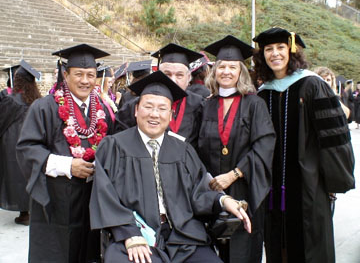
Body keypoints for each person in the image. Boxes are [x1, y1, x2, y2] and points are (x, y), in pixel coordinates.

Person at [90, 70, 252, 263]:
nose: (154, 114)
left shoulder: (183, 150)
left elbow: (198, 192)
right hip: (136, 236)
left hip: (183, 238)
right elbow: (104, 195)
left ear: (171, 114)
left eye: (162, 108)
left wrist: (223, 201)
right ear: (136, 110)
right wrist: (128, 233)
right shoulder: (114, 146)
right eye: (148, 107)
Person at [252, 27, 355, 263]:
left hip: (309, 184)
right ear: (262, 55)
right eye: (269, 49)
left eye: (280, 48)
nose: (275, 54)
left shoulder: (312, 85)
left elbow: (333, 137)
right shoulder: (261, 95)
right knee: (277, 245)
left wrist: (332, 181)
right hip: (272, 186)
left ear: (291, 51)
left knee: (310, 245)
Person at [16, 44, 114, 263]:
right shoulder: (44, 107)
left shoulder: (104, 110)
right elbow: (26, 149)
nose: (85, 80)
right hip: (56, 201)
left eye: (91, 75)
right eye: (78, 74)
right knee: (56, 254)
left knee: (89, 252)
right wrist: (68, 165)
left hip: (92, 200)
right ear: (65, 74)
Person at [198, 35, 276, 263]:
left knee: (243, 249)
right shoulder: (207, 105)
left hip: (245, 187)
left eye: (233, 67)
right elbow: (196, 146)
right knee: (214, 248)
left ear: (241, 72)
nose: (226, 72)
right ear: (214, 71)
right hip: (213, 189)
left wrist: (233, 174)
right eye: (221, 66)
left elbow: (265, 143)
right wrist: (209, 178)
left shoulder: (254, 104)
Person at [117, 44, 204, 148]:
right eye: (167, 74)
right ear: (157, 74)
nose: (173, 80)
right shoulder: (137, 105)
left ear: (189, 78)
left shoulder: (199, 105)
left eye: (179, 75)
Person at [0, 60, 42, 225]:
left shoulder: (11, 100)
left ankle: (25, 213)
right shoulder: (37, 100)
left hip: (12, 144)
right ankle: (32, 210)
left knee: (16, 177)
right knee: (30, 176)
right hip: (33, 143)